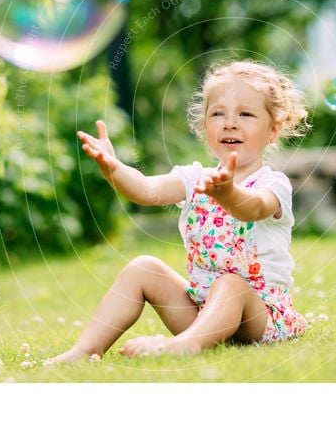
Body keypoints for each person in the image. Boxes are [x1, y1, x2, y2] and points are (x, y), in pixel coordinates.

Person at [51, 59, 310, 361]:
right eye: (218, 114)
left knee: (231, 282)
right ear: (205, 127)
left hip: (259, 318)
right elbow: (146, 190)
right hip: (202, 314)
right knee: (142, 267)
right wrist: (115, 169)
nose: (230, 122)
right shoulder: (194, 178)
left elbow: (254, 207)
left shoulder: (272, 183)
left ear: (273, 130)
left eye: (246, 114)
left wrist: (228, 193)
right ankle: (84, 351)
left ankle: (184, 345)